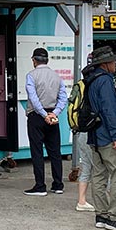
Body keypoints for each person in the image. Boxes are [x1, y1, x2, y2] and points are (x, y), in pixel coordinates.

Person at [74, 51, 116, 213]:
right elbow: (109, 110)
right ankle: (113, 215)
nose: (115, 64)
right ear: (104, 64)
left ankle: (101, 214)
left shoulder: (90, 80)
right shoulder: (105, 81)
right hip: (107, 136)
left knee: (99, 176)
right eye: (113, 62)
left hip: (94, 135)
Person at [23, 47, 67, 196]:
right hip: (53, 115)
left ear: (34, 61)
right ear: (47, 60)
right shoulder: (57, 76)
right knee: (55, 151)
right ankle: (58, 184)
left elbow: (33, 99)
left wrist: (43, 114)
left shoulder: (31, 76)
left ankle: (40, 186)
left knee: (37, 151)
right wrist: (54, 113)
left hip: (37, 116)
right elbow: (63, 98)